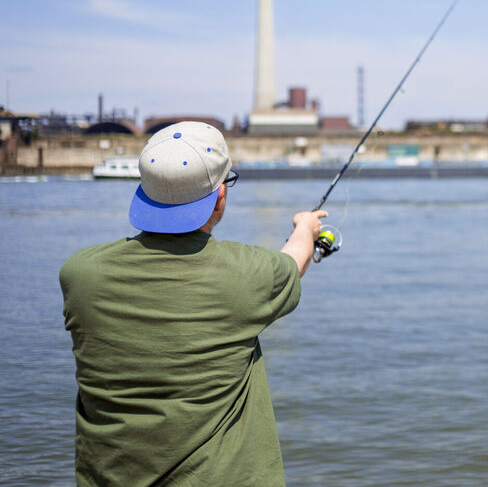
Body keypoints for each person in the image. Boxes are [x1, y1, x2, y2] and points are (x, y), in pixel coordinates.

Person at [59, 121, 327, 486]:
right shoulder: (248, 274)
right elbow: (293, 263)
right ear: (220, 196)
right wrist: (304, 227)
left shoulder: (79, 274)